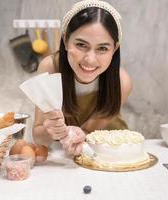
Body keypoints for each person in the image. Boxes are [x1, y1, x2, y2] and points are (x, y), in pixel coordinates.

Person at [33, 0, 131, 155]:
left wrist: (80, 133)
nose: (90, 60)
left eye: (103, 48)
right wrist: (51, 130)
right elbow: (38, 137)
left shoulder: (121, 81)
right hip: (68, 154)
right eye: (81, 45)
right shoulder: (50, 69)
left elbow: (88, 130)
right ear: (65, 40)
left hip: (113, 154)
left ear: (115, 48)